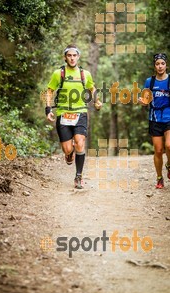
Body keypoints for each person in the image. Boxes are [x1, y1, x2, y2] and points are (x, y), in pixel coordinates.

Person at [45, 44, 102, 189]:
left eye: (74, 55)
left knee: (80, 143)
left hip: (80, 112)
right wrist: (48, 108)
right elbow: (50, 91)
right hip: (63, 113)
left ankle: (79, 176)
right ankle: (69, 154)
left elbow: (91, 88)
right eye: (69, 55)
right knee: (67, 149)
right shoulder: (59, 73)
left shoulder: (85, 74)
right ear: (65, 57)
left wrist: (96, 100)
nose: (72, 58)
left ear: (78, 57)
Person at [139, 53, 170, 189]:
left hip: (169, 117)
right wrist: (143, 102)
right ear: (154, 66)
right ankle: (159, 178)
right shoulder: (150, 82)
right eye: (157, 64)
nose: (160, 66)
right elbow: (146, 100)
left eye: (162, 63)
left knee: (169, 146)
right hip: (155, 119)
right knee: (158, 150)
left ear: (166, 65)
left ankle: (169, 165)